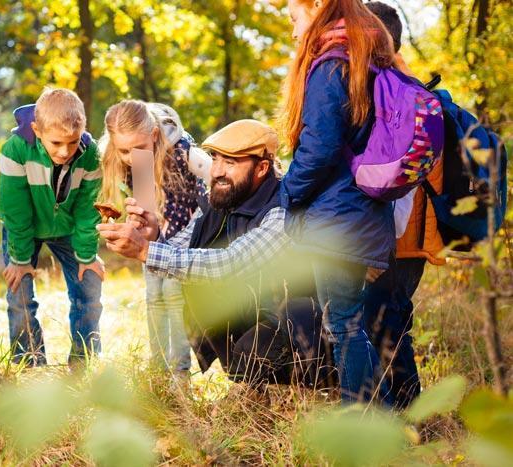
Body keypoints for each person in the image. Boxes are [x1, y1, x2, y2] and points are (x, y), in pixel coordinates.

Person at [98, 120, 335, 388]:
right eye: (215, 158)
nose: (217, 170)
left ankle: (311, 388)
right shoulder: (223, 198)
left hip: (302, 325)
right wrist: (153, 237)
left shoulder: (282, 210)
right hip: (256, 313)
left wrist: (144, 250)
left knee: (252, 352)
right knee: (226, 331)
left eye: (231, 162)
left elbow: (229, 263)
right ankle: (258, 385)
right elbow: (185, 248)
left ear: (262, 168)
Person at [278, 0, 396, 403]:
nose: (294, 32)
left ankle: (363, 420)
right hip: (361, 212)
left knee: (344, 324)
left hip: (339, 216)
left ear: (317, 7)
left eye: (296, 19)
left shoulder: (332, 66)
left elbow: (319, 147)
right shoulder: (368, 59)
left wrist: (287, 192)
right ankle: (374, 415)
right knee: (347, 321)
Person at [363, 1, 446, 409]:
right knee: (388, 320)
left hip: (401, 232)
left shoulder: (398, 89)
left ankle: (409, 416)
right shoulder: (401, 82)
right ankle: (401, 412)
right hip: (404, 231)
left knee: (386, 323)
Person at [0, 87, 104, 368]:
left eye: (72, 142)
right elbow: (15, 210)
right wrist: (20, 259)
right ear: (37, 130)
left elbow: (87, 210)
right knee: (19, 296)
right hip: (25, 230)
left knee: (89, 288)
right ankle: (30, 363)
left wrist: (86, 255)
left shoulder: (91, 154)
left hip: (68, 227)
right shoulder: (16, 150)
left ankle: (85, 362)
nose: (65, 151)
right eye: (56, 143)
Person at [99, 100, 205, 375]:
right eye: (124, 151)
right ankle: (157, 370)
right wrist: (135, 223)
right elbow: (147, 206)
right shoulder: (135, 158)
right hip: (155, 238)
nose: (132, 157)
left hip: (187, 237)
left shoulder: (183, 152)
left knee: (172, 293)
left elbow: (210, 197)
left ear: (154, 135)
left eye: (139, 149)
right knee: (153, 295)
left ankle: (180, 374)